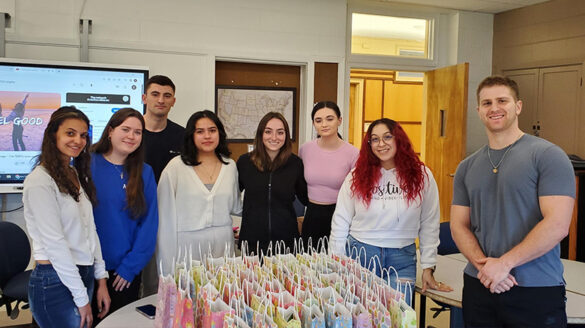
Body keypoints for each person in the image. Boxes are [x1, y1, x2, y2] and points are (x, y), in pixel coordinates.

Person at [450, 75, 575, 327]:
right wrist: (486, 268)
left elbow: (558, 224)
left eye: (502, 100)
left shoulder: (548, 156)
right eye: (486, 103)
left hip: (534, 287)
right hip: (479, 286)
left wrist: (504, 264)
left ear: (518, 106)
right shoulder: (466, 167)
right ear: (478, 110)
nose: (494, 108)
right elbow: (458, 225)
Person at [329, 118, 451, 305]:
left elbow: (429, 223)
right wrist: (336, 263)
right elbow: (341, 220)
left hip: (402, 258)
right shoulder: (356, 176)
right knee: (363, 319)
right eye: (375, 139)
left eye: (387, 137)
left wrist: (428, 266)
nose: (381, 144)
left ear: (398, 140)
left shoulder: (422, 175)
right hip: (361, 254)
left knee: (399, 319)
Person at [23, 106, 110, 328]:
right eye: (70, 133)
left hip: (83, 273)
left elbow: (90, 230)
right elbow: (55, 244)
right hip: (54, 280)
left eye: (83, 135)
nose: (78, 141)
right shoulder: (39, 181)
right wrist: (81, 299)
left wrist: (101, 279)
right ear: (53, 135)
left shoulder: (74, 174)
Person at [89, 108, 158, 321]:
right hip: (87, 268)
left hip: (124, 272)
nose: (131, 136)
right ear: (110, 131)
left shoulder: (145, 172)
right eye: (125, 129)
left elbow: (149, 223)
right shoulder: (86, 164)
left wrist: (130, 267)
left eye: (137, 132)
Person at [157, 110, 241, 274]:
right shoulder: (176, 167)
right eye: (200, 131)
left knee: (220, 294)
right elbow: (164, 218)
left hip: (222, 246)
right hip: (186, 247)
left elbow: (236, 205)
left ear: (220, 133)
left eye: (212, 130)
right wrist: (166, 262)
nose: (207, 136)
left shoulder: (230, 166)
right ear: (191, 135)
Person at [237, 112, 308, 255]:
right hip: (252, 241)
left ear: (286, 136)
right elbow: (231, 194)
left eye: (280, 132)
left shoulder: (296, 164)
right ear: (260, 134)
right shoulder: (245, 162)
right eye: (268, 132)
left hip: (286, 242)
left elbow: (306, 197)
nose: (274, 137)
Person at [141, 75, 184, 296]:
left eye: (167, 95)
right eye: (155, 94)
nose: (161, 100)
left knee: (158, 283)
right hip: (132, 216)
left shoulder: (182, 136)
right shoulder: (131, 132)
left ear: (173, 101)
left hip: (167, 220)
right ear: (144, 97)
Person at [299, 101, 358, 249]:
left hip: (340, 216)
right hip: (312, 214)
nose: (324, 124)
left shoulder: (353, 153)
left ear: (339, 120)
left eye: (329, 119)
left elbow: (357, 192)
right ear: (313, 123)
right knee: (309, 264)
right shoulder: (305, 149)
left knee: (337, 264)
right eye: (318, 120)